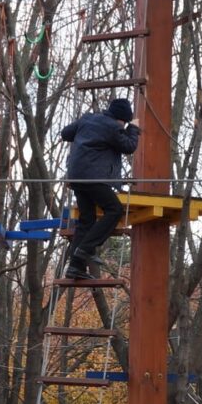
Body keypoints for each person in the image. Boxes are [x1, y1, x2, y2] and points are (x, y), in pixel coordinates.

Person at [60, 97, 140, 280]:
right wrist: (133, 129)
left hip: (76, 177)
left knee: (86, 220)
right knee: (114, 210)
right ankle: (86, 249)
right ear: (121, 119)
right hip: (94, 178)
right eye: (124, 122)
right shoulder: (113, 127)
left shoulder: (88, 119)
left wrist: (84, 131)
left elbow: (65, 133)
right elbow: (129, 146)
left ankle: (75, 267)